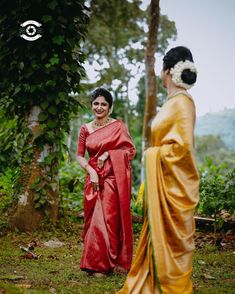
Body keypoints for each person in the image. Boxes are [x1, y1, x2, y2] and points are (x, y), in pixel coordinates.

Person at [118, 46, 200, 293]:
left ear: (167, 71)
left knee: (174, 242)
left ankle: (170, 284)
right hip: (162, 182)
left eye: (161, 70)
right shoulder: (171, 103)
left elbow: (182, 149)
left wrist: (152, 155)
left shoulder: (183, 103)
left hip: (174, 186)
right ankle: (150, 281)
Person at [77, 87, 136, 277]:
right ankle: (94, 260)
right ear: (91, 106)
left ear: (110, 108)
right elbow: (79, 156)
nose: (99, 107)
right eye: (96, 103)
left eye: (104, 104)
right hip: (93, 180)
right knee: (91, 220)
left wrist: (108, 154)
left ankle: (102, 265)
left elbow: (130, 151)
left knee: (106, 221)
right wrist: (91, 171)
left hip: (112, 180)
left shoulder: (118, 127)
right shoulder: (85, 128)